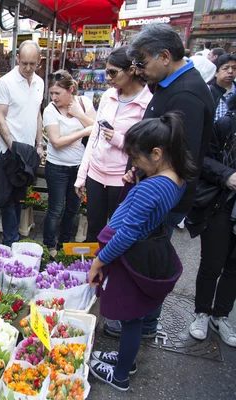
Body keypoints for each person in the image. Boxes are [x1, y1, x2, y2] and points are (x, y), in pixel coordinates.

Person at [103, 23, 216, 339]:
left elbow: (182, 158)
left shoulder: (188, 94)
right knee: (143, 255)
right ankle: (139, 322)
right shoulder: (169, 85)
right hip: (150, 188)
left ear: (165, 56)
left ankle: (139, 324)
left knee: (145, 261)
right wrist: (137, 169)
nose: (138, 71)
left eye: (142, 63)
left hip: (161, 202)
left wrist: (146, 183)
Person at [88, 112, 193, 392]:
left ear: (157, 153)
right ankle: (126, 358)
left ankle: (120, 374)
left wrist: (99, 261)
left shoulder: (153, 187)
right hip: (148, 249)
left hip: (129, 254)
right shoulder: (175, 178)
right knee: (134, 315)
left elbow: (126, 234)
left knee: (130, 317)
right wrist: (137, 180)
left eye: (136, 157)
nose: (133, 162)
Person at [75, 46, 152, 243]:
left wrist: (119, 140)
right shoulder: (108, 96)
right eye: (106, 72)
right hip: (95, 174)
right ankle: (91, 270)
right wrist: (82, 174)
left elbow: (147, 147)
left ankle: (112, 271)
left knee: (117, 232)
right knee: (94, 229)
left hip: (122, 178)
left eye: (112, 72)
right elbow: (94, 137)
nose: (108, 77)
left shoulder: (147, 101)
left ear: (132, 70)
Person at [187, 95, 236, 347]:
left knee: (234, 267)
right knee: (212, 263)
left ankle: (222, 315)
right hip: (222, 204)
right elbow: (202, 159)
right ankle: (202, 312)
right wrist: (227, 175)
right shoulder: (225, 126)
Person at [0, 40, 45, 246]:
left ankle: (12, 238)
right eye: (24, 63)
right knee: (6, 198)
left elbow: (37, 114)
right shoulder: (5, 83)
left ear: (39, 61)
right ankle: (11, 240)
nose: (28, 68)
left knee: (19, 197)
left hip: (29, 152)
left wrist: (39, 144)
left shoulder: (39, 82)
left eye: (32, 63)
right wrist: (13, 146)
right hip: (9, 151)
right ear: (17, 59)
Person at [42, 70, 96, 257]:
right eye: (51, 93)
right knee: (55, 208)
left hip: (80, 168)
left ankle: (64, 242)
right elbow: (56, 142)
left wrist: (80, 115)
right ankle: (49, 245)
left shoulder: (84, 103)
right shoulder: (50, 110)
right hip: (57, 167)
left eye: (57, 93)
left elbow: (97, 128)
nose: (53, 97)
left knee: (73, 208)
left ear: (70, 89)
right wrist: (82, 132)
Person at [209, 54, 236, 121]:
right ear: (216, 72)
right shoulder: (208, 92)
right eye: (225, 68)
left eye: (234, 68)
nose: (230, 71)